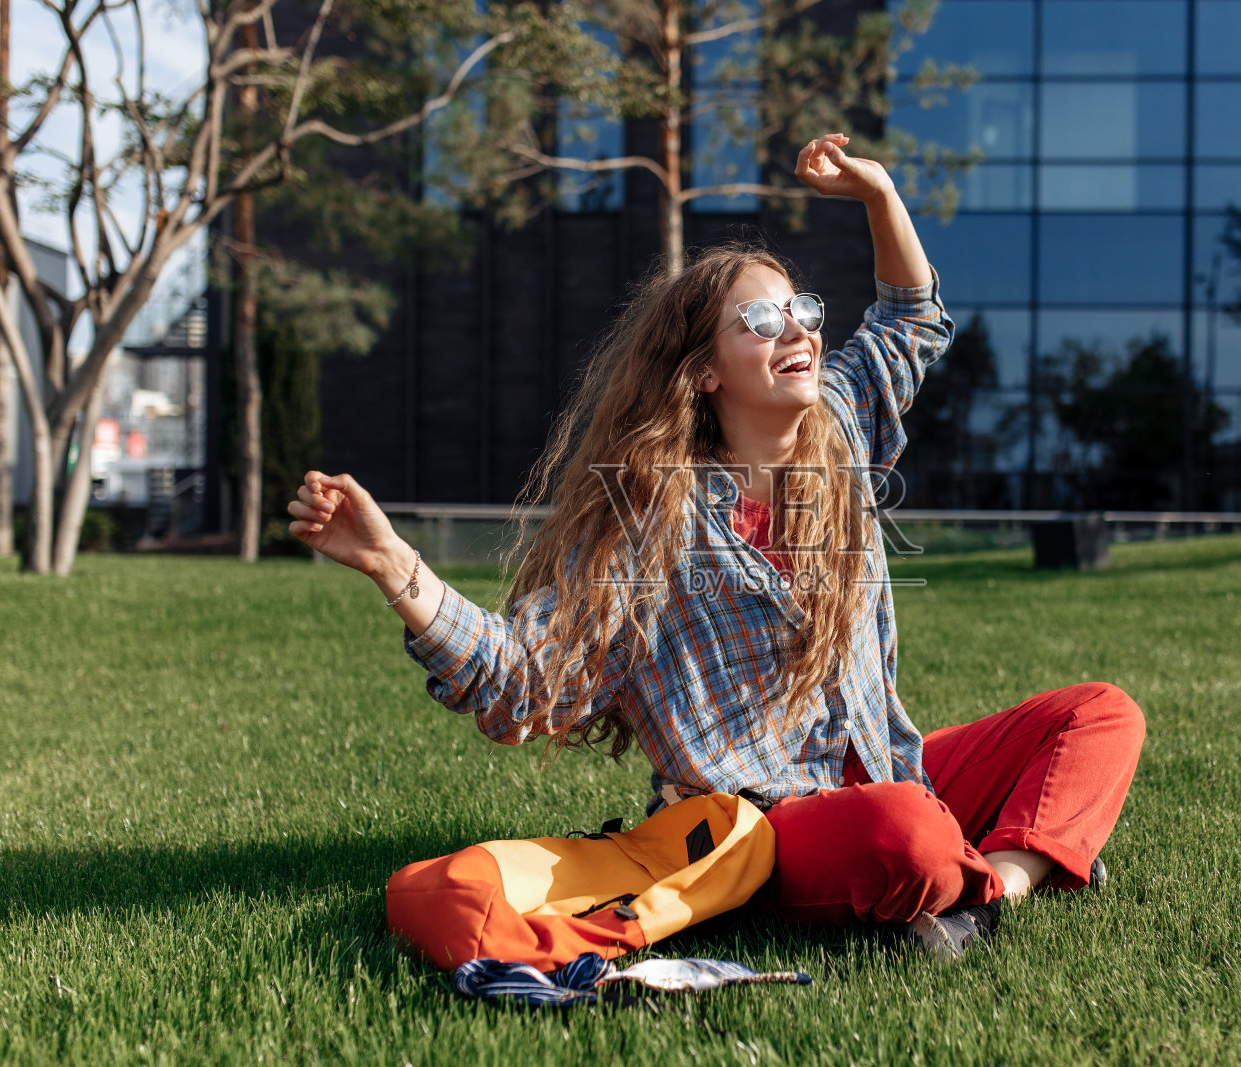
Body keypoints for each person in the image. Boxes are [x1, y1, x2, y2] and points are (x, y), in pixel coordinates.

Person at [287, 134, 1145, 960]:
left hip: (892, 766)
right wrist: (397, 567)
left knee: (1100, 714)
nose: (800, 331)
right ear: (703, 370)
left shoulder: (838, 430)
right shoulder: (650, 522)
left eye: (803, 312)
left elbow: (909, 323)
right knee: (906, 833)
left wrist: (879, 193)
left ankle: (996, 880)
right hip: (765, 831)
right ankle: (993, 864)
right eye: (762, 321)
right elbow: (523, 685)